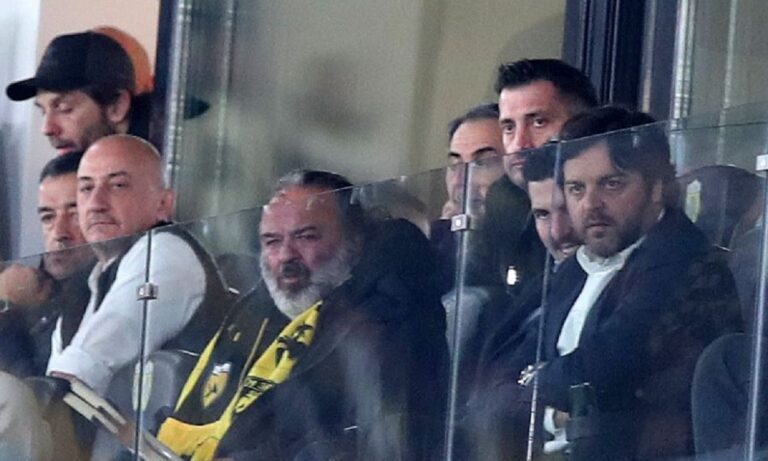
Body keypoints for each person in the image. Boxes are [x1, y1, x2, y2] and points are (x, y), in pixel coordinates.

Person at [467, 106, 742, 460]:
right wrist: (549, 411)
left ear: (657, 187)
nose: (590, 205)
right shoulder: (574, 268)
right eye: (576, 189)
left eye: (611, 184)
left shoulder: (684, 261)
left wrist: (533, 381)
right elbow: (497, 378)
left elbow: (603, 368)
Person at [156, 170, 447, 461]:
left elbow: (374, 444)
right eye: (272, 241)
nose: (285, 256)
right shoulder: (256, 312)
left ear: (355, 238)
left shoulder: (391, 317)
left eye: (306, 237)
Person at [46, 134, 228, 395]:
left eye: (118, 185)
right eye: (86, 188)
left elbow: (83, 368)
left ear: (163, 203)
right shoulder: (85, 285)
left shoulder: (165, 251)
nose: (96, 203)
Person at [481, 58, 598, 290]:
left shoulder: (609, 204)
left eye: (538, 122)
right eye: (509, 127)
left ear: (583, 125)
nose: (519, 144)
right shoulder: (502, 202)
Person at [0, 152, 94, 377]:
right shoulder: (38, 287)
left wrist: (9, 307)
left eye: (75, 215)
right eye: (48, 217)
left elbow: (36, 387)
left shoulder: (101, 292)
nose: (59, 233)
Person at [6, 31, 138, 155]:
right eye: (43, 111)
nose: (46, 129)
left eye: (64, 108)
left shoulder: (147, 168)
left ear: (117, 106)